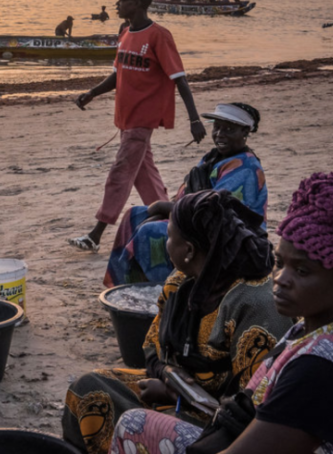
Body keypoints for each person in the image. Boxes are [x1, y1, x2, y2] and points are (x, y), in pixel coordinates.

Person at [109, 172, 333, 454]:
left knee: (133, 427)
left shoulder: (320, 372)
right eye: (280, 263)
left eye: (302, 271)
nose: (280, 279)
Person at [62, 191, 292, 454]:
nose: (166, 242)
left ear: (189, 250)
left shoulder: (255, 306)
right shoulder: (181, 281)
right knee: (87, 388)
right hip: (174, 392)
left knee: (137, 426)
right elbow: (151, 347)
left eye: (169, 236)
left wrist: (176, 395)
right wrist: (168, 378)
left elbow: (252, 411)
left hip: (221, 430)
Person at [69, 0, 206, 252]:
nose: (117, 4)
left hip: (143, 120)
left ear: (139, 3)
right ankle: (174, 222)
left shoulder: (159, 36)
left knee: (120, 173)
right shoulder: (124, 32)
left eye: (123, 0)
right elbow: (119, 74)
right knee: (145, 175)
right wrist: (93, 92)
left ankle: (95, 235)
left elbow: (180, 79)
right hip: (125, 117)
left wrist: (195, 119)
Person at [105, 103, 267, 286]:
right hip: (194, 219)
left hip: (226, 234)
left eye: (229, 130)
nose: (220, 134)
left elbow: (216, 213)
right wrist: (167, 212)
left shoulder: (246, 168)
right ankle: (128, 287)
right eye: (217, 127)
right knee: (133, 216)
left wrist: (163, 208)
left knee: (151, 232)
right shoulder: (213, 157)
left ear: (245, 132)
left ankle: (166, 290)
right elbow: (190, 196)